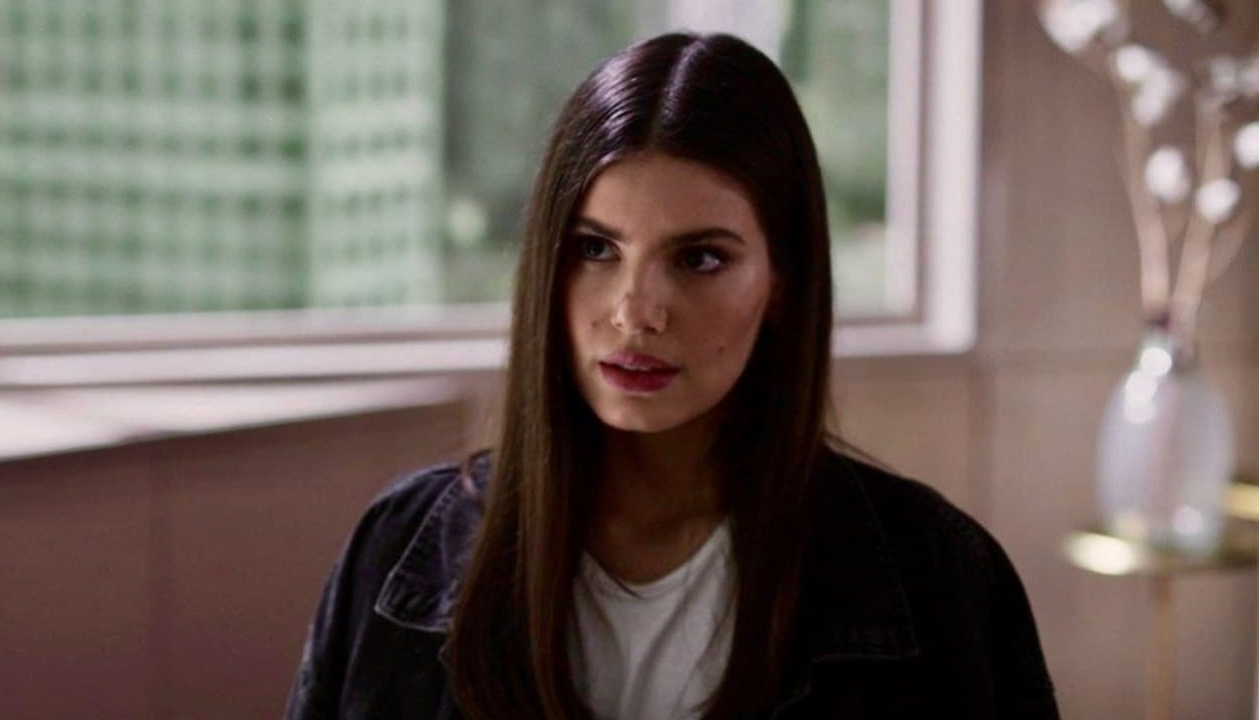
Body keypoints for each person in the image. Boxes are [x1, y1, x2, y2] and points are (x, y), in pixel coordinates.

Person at [283, 32, 1058, 720]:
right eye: (595, 249)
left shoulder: (936, 577)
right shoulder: (400, 551)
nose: (636, 313)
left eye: (700, 258)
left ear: (782, 284)